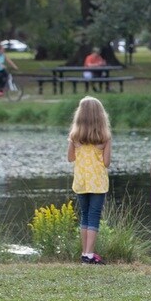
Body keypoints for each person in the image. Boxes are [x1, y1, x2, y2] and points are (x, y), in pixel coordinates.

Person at [66, 96, 112, 264]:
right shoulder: (105, 137)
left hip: (81, 181)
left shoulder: (74, 137)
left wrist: (74, 145)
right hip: (98, 183)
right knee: (94, 216)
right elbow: (106, 163)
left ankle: (85, 253)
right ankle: (89, 254)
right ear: (100, 116)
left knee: (84, 216)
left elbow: (70, 158)